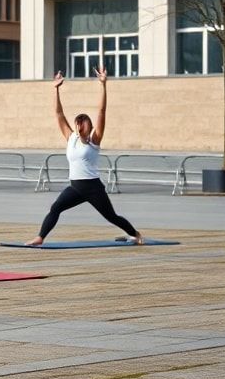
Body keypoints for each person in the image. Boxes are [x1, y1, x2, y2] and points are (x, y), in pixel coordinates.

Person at [25, 68, 143, 246]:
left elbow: (102, 111)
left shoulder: (94, 140)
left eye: (84, 122)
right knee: (56, 208)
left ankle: (136, 234)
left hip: (93, 188)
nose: (80, 125)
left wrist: (103, 85)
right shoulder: (71, 137)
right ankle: (40, 238)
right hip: (75, 187)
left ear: (89, 126)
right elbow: (58, 114)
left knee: (111, 216)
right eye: (78, 122)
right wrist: (56, 88)